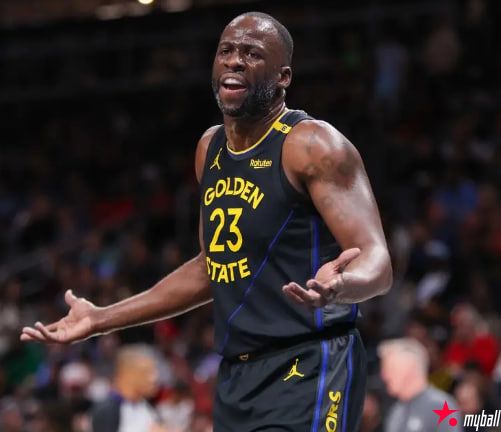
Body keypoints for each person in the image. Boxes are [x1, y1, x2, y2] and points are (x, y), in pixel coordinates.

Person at [21, 11, 392, 431]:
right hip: (237, 377)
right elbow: (208, 268)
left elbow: (378, 262)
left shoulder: (311, 144)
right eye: (226, 51)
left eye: (252, 54)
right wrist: (100, 319)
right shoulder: (209, 148)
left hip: (310, 362)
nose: (234, 61)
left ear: (283, 77)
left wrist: (343, 286)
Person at [379, 338, 463, 432]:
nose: (384, 375)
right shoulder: (396, 411)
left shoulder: (440, 406)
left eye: (390, 368)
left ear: (409, 368)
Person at [92, 344, 167, 432]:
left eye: (154, 371)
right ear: (126, 375)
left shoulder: (149, 409)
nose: (154, 378)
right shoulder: (106, 410)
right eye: (146, 372)